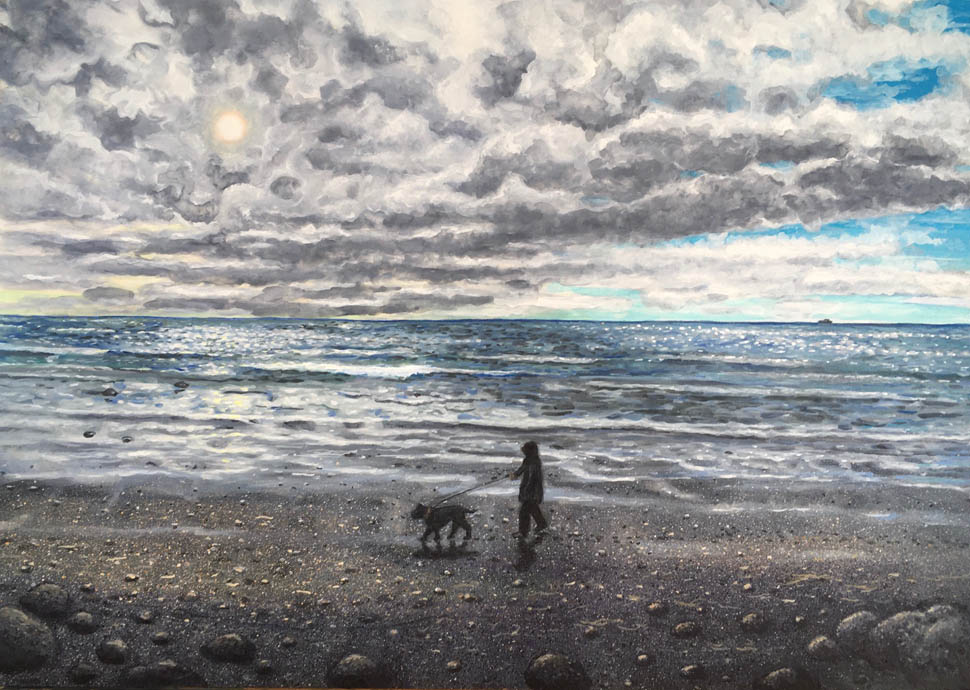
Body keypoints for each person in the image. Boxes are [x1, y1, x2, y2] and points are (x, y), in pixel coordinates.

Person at [509, 440, 547, 537]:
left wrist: (526, 491)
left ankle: (523, 532)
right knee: (533, 509)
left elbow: (532, 479)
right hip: (530, 491)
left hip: (532, 492)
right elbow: (522, 469)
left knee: (524, 511)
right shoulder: (528, 460)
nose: (523, 451)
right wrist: (515, 474)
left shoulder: (534, 463)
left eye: (525, 450)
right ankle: (542, 524)